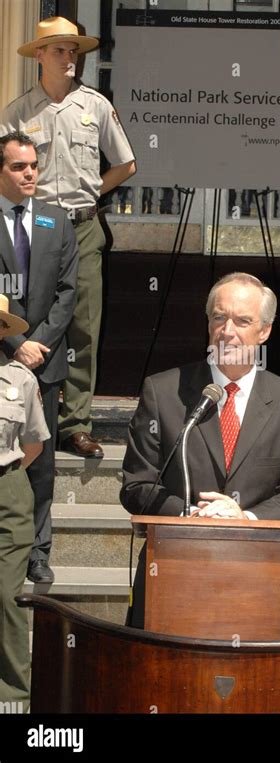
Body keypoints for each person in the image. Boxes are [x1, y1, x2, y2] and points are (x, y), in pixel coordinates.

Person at [121, 272, 280, 627]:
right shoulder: (163, 392)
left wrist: (244, 519)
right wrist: (193, 515)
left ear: (265, 331)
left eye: (242, 321)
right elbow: (138, 485)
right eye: (219, 317)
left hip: (259, 577)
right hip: (172, 567)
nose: (227, 330)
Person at [0, 16, 136, 458]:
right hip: (32, 229)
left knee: (83, 326)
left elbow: (125, 164)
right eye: (59, 49)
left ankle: (75, 424)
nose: (69, 57)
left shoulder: (94, 106)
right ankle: (20, 413)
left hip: (80, 226)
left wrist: (87, 192)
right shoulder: (18, 113)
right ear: (39, 55)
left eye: (73, 50)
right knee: (24, 317)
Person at [0, 132, 78, 584]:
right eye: (18, 167)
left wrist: (38, 344)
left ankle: (37, 552)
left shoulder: (56, 219)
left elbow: (68, 291)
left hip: (44, 361)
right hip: (3, 355)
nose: (29, 173)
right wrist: (15, 343)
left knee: (42, 458)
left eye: (33, 166)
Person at [0, 295, 50, 712]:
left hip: (8, 495)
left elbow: (32, 444)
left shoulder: (21, 380)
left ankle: (14, 693)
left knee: (4, 594)